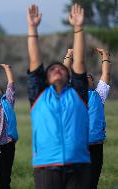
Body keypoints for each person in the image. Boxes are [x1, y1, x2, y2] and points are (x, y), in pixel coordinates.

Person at [26, 4, 91, 189]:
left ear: (69, 77)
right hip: (46, 165)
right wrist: (32, 28)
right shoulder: (39, 96)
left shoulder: (77, 94)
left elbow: (78, 61)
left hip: (79, 163)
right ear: (45, 79)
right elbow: (34, 63)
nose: (57, 70)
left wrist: (78, 28)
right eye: (52, 69)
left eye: (61, 69)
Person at [63, 48, 111, 189]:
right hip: (76, 146)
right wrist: (69, 54)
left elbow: (106, 74)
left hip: (95, 147)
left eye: (88, 77)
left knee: (91, 184)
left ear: (92, 83)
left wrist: (106, 55)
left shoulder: (99, 95)